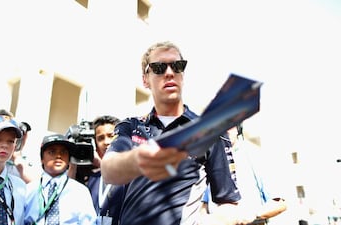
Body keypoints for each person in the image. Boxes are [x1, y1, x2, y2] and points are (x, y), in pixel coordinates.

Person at [101, 41, 255, 225]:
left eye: (177, 66)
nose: (169, 73)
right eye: (158, 68)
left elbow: (228, 202)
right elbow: (108, 170)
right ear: (145, 80)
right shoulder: (130, 126)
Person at [24, 133, 97, 225]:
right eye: (52, 152)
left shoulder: (80, 191)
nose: (59, 156)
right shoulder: (28, 190)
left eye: (63, 152)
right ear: (42, 158)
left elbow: (89, 222)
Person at [85, 115, 125, 225]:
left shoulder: (130, 175)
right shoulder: (92, 177)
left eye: (111, 136)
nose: (106, 142)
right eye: (100, 138)